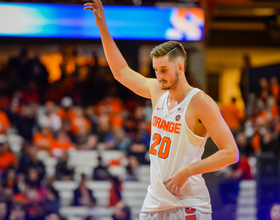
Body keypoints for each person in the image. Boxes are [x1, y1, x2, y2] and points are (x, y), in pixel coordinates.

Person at [83, 1, 239, 219]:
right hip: (155, 202)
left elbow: (231, 153)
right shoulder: (157, 90)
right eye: (156, 70)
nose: (159, 76)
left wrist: (188, 170)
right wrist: (103, 28)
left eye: (164, 70)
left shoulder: (200, 102)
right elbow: (121, 71)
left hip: (188, 202)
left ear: (180, 67)